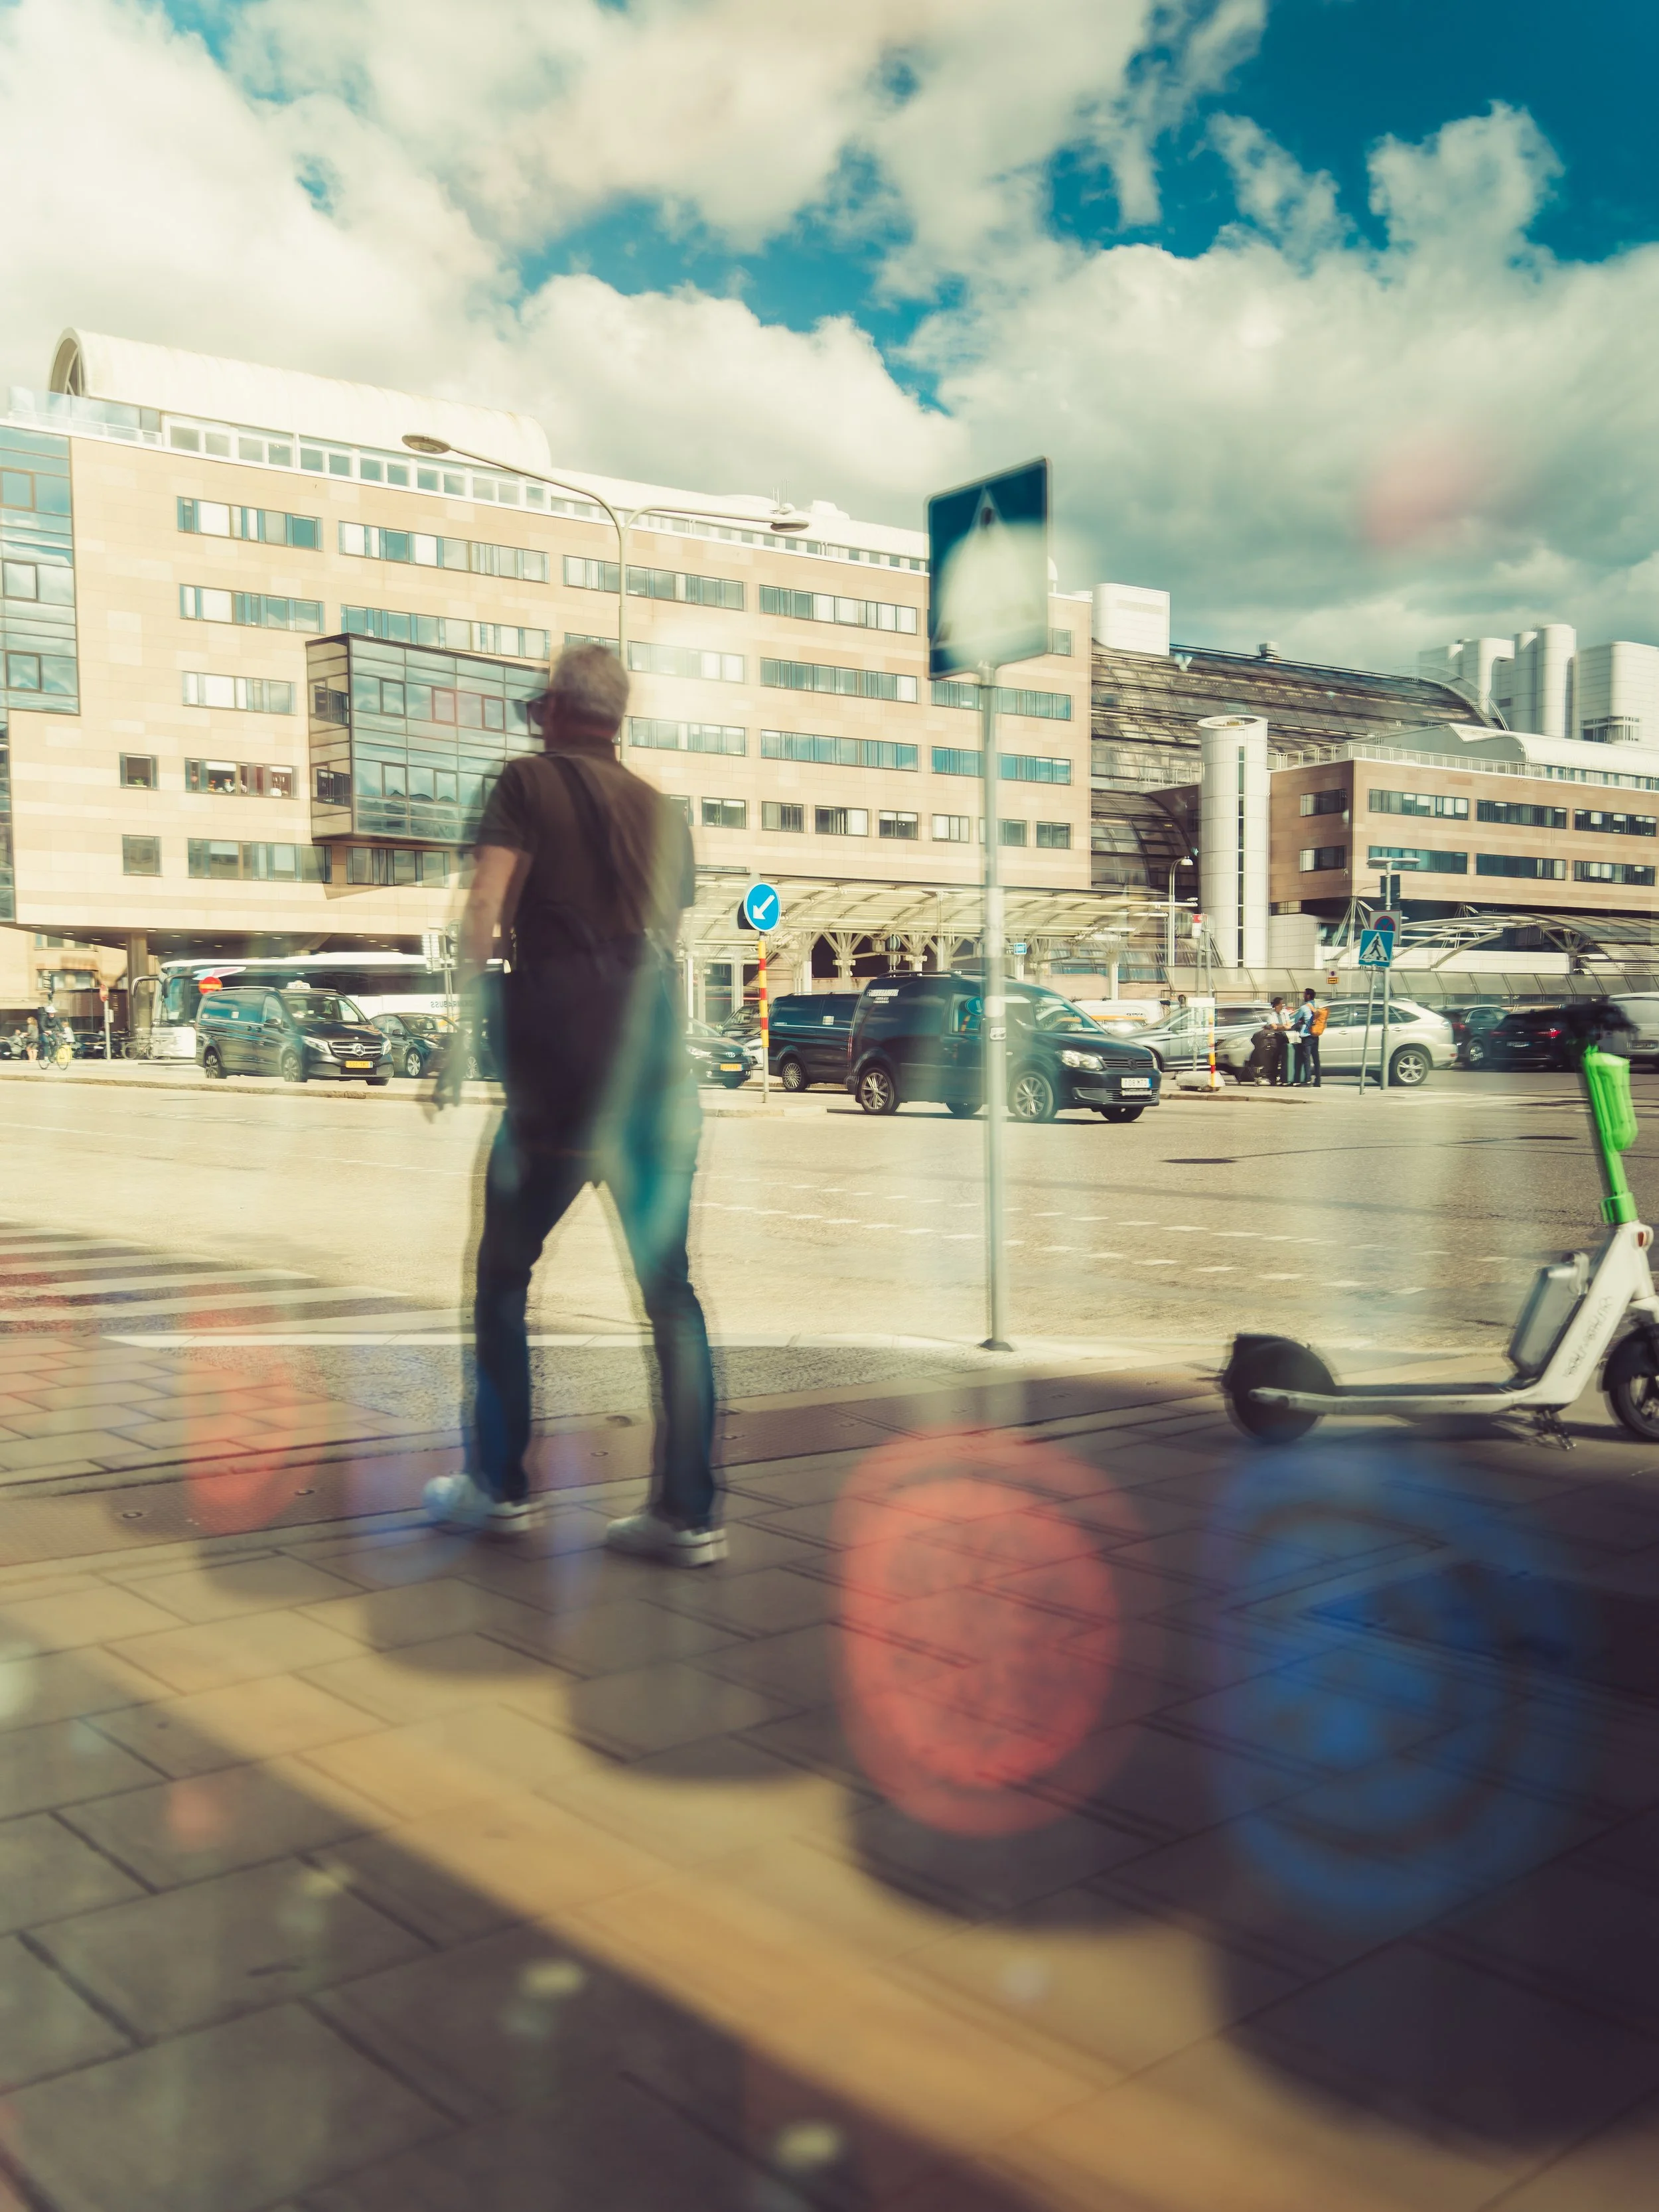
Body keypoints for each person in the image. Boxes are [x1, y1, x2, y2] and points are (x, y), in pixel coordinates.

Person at [423, 643, 721, 1564]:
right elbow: (657, 940)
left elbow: (485, 908)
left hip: (562, 1084)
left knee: (504, 1277)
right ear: (617, 716)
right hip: (658, 1081)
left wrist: (459, 1030)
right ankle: (688, 1513)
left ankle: (499, 1484)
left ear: (553, 708)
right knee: (670, 1294)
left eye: (534, 703)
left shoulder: (523, 781)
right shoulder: (664, 812)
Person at [1293, 987, 1324, 1086]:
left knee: (1306, 1059)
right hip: (1316, 1035)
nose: (1303, 996)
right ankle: (1318, 1081)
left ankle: (1308, 1080)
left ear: (1308, 996)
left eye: (1304, 994)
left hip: (1307, 1036)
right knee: (1316, 1059)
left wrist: (1301, 1020)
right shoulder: (1318, 1007)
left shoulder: (1304, 1008)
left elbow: (1296, 1019)